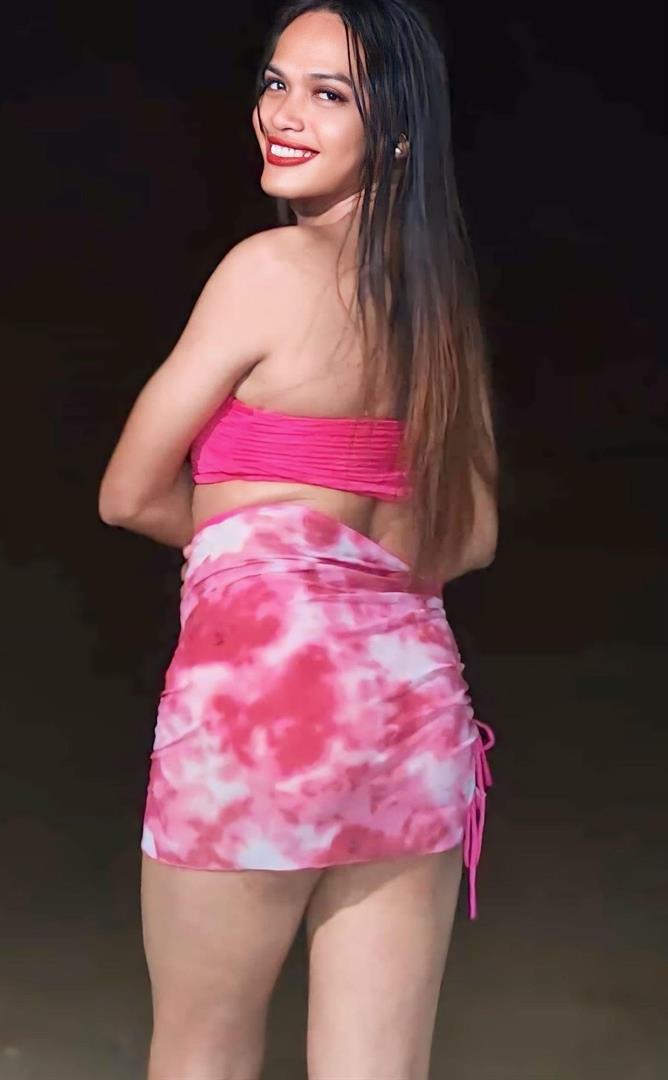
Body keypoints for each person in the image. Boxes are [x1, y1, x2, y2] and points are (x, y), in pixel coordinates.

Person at [99, 1, 498, 1077]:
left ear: (398, 132)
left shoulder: (265, 270)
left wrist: (265, 564)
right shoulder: (436, 300)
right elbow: (467, 537)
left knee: (204, 1049)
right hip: (410, 713)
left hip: (261, 713)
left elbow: (128, 493)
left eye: (329, 96)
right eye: (277, 83)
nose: (283, 114)